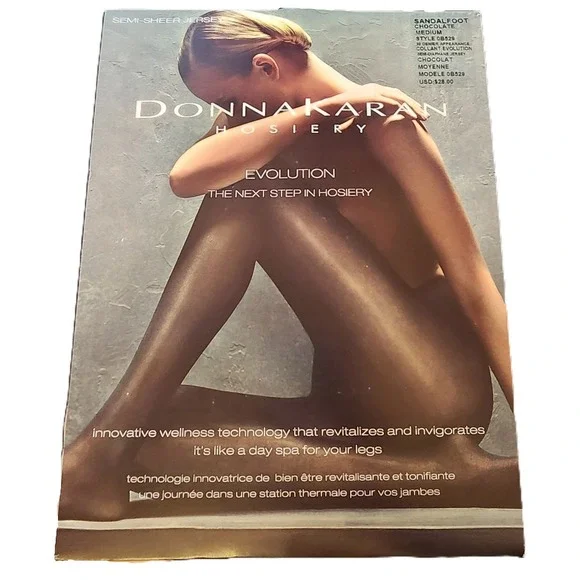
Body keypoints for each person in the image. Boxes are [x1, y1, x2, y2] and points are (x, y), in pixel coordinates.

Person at [58, 10, 520, 522]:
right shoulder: (275, 127)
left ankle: (88, 468)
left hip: (430, 386)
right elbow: (186, 176)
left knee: (253, 192)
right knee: (148, 423)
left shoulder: (387, 124)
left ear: (265, 67)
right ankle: (454, 477)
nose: (230, 114)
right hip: (347, 398)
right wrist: (323, 109)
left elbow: (473, 283)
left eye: (230, 100)